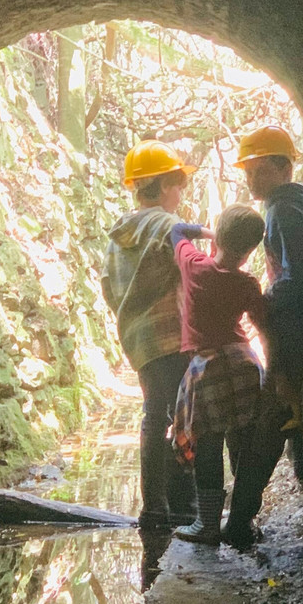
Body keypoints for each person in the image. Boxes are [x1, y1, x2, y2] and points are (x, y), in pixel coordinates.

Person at [236, 125, 303, 491]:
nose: (252, 179)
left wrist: (266, 303)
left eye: (261, 170)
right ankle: (300, 465)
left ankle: (250, 492)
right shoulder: (301, 203)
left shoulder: (282, 210)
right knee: (292, 386)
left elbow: (296, 274)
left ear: (285, 170)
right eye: (248, 171)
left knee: (278, 393)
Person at [102, 139, 199, 530]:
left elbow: (108, 287)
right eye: (178, 182)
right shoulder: (169, 225)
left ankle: (153, 508)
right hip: (174, 336)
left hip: (140, 342)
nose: (182, 190)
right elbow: (195, 270)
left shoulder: (117, 236)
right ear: (160, 186)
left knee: (151, 417)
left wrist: (131, 320)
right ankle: (187, 503)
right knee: (186, 420)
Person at [167, 205, 268, 545]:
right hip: (243, 364)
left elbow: (177, 231)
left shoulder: (196, 267)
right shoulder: (248, 283)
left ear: (218, 237)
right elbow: (265, 323)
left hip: (207, 367)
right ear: (251, 250)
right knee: (243, 442)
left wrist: (207, 233)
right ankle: (242, 518)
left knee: (207, 445)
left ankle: (207, 524)